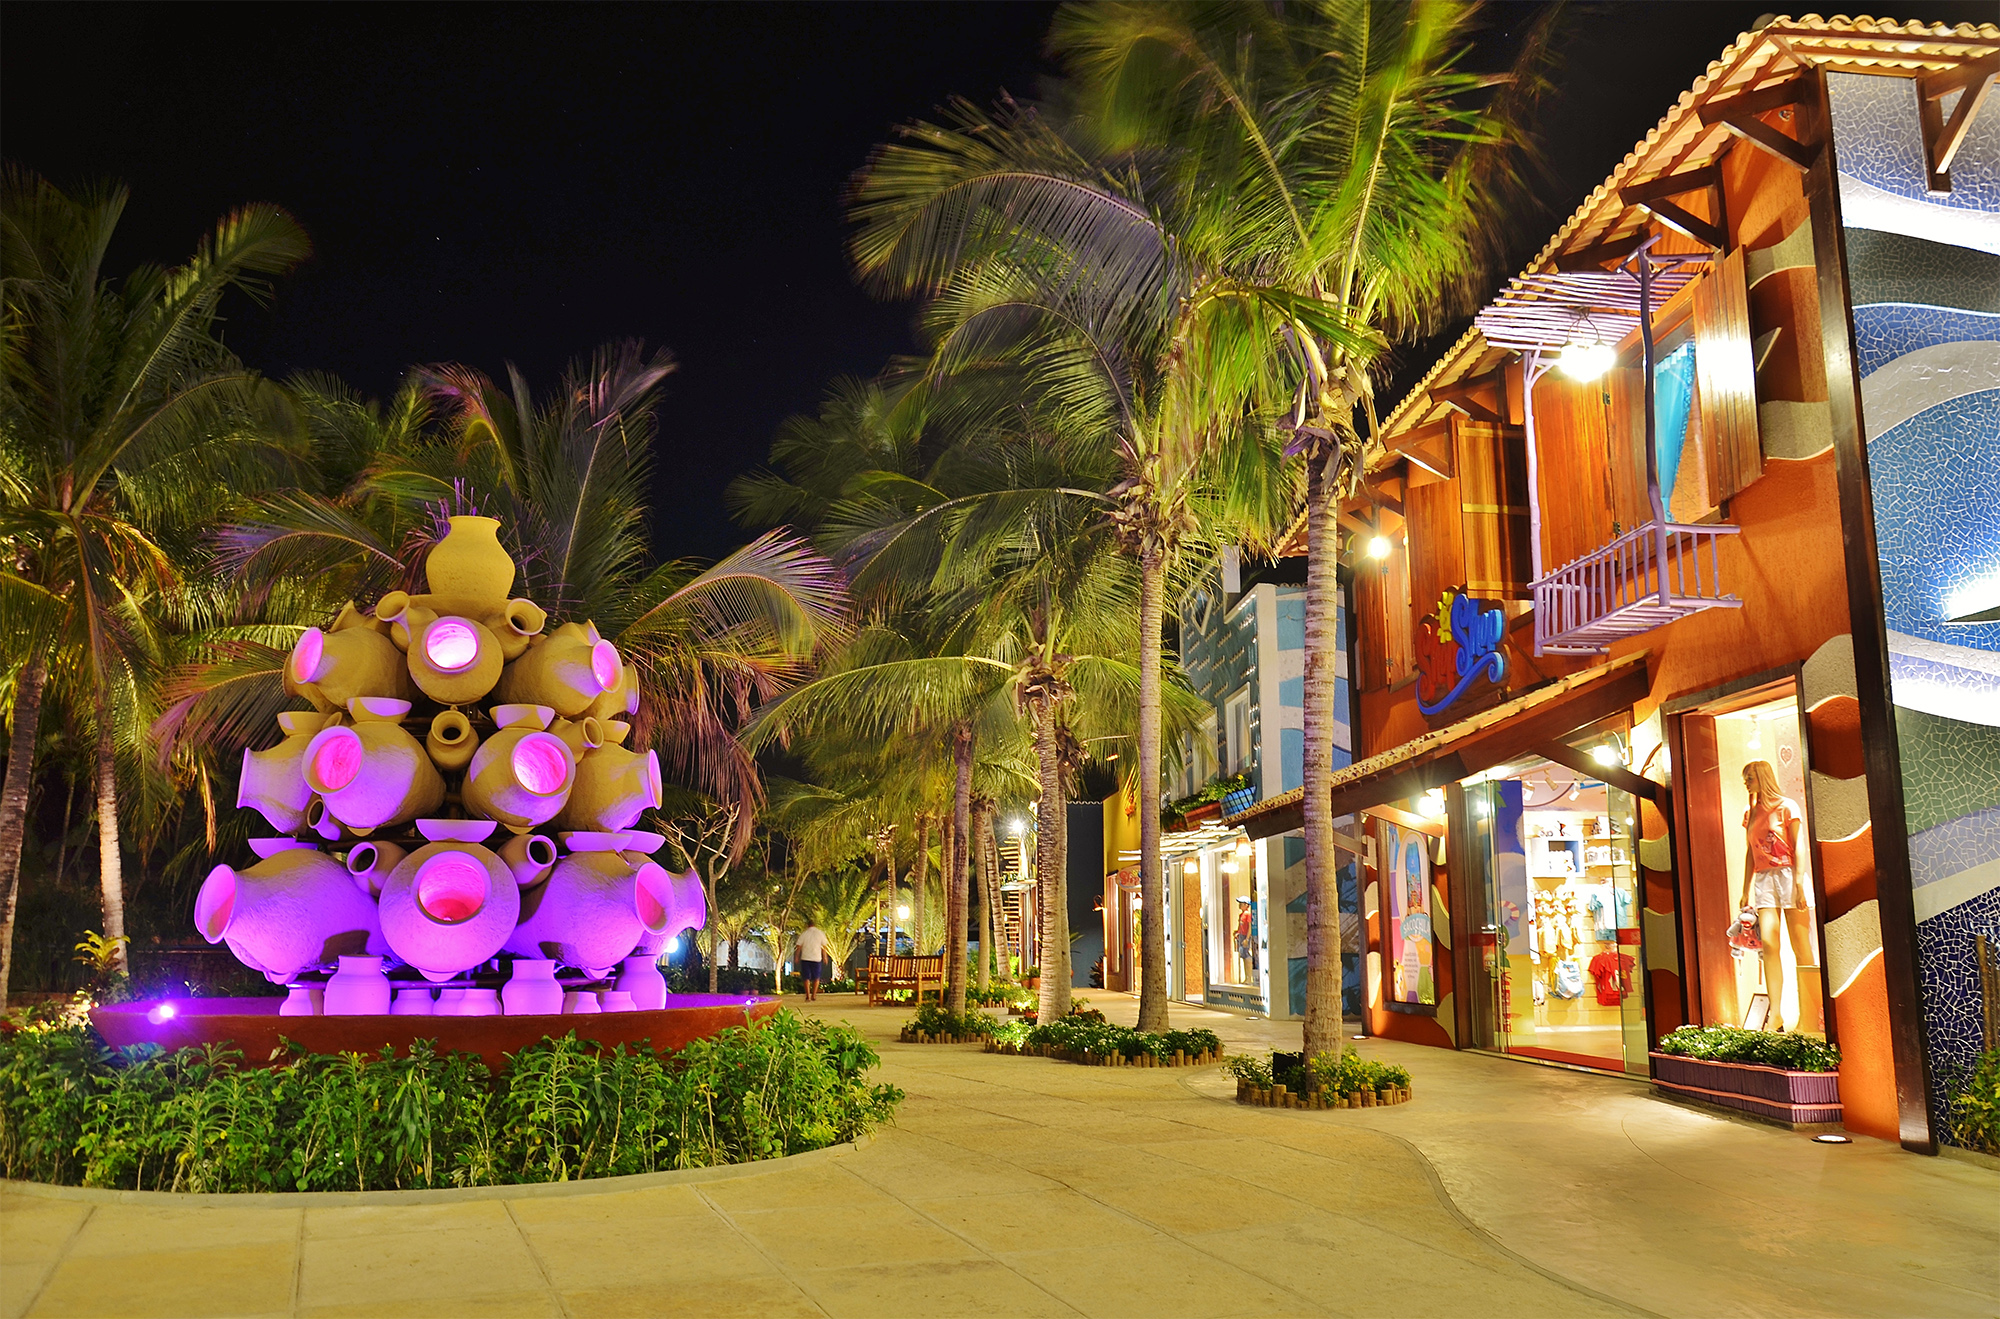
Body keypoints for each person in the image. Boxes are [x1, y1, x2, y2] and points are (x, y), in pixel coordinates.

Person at [1736, 759, 1819, 1033]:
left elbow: (1800, 846)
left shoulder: (1787, 807)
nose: (1746, 783)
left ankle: (1812, 1013)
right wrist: (1745, 888)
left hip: (1788, 873)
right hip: (1763, 879)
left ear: (1762, 777)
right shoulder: (1750, 813)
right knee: (1769, 944)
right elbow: (1750, 851)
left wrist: (1798, 882)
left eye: (1749, 778)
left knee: (1800, 945)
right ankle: (1776, 1014)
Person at [795, 921, 829, 1003]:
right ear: (814, 925)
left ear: (808, 925)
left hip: (805, 958)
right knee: (816, 977)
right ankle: (814, 995)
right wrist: (825, 957)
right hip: (816, 958)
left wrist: (797, 957)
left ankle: (807, 996)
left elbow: (798, 947)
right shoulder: (820, 933)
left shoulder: (804, 933)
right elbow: (824, 946)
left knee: (806, 977)